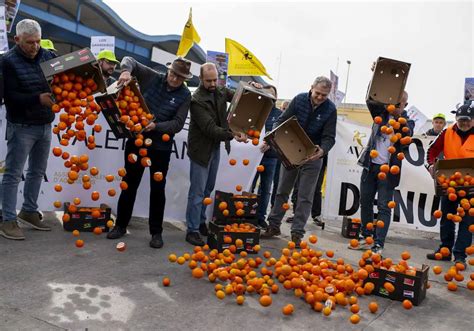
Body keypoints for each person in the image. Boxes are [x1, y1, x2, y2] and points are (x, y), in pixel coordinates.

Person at [106, 57, 192, 249]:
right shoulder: (153, 77)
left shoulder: (185, 95)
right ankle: (120, 225)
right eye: (173, 74)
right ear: (168, 70)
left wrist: (156, 126)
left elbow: (177, 124)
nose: (175, 79)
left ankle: (156, 233)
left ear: (185, 79)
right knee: (129, 185)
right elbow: (129, 60)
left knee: (157, 190)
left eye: (180, 77)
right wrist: (126, 71)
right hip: (136, 142)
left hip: (160, 148)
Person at [260, 76, 337, 247]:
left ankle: (297, 233)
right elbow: (281, 120)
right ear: (311, 88)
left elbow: (329, 137)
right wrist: (276, 137)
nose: (320, 97)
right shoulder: (299, 100)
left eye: (324, 95)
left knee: (305, 196)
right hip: (291, 150)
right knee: (282, 190)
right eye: (318, 93)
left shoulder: (331, 109)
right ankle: (274, 226)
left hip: (313, 155)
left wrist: (322, 150)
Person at [0, 19, 56, 240]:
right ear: (17, 39)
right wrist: (38, 99)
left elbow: (62, 77)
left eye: (37, 42)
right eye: (29, 42)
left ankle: (29, 211)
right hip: (21, 126)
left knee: (37, 172)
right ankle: (7, 220)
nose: (35, 47)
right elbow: (10, 96)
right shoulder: (7, 62)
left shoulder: (47, 55)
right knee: (13, 174)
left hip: (45, 124)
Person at [185, 63, 252, 246]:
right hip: (200, 149)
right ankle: (192, 230)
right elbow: (210, 129)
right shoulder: (196, 100)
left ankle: (200, 223)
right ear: (201, 79)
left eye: (215, 79)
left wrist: (252, 89)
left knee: (208, 189)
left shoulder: (221, 91)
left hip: (214, 148)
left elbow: (240, 96)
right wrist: (233, 135)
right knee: (197, 192)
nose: (213, 83)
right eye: (209, 81)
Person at [350, 66, 415, 255]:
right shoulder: (380, 116)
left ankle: (379, 243)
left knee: (384, 207)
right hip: (371, 166)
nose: (396, 106)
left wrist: (399, 117)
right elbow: (371, 97)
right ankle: (365, 236)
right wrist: (376, 76)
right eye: (394, 102)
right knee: (365, 201)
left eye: (400, 104)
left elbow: (407, 136)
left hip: (388, 170)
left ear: (405, 105)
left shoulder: (406, 122)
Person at [425, 103, 474, 267]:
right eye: (461, 120)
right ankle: (445, 250)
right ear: (456, 119)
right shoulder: (447, 133)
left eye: (467, 120)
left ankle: (460, 255)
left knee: (467, 222)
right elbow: (431, 151)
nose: (464, 123)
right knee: (447, 217)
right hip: (450, 184)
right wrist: (431, 166)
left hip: (472, 186)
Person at [250, 85, 282, 229]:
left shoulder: (280, 114)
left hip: (271, 157)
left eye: (272, 95)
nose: (270, 98)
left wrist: (270, 142)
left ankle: (260, 217)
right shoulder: (256, 111)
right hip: (253, 156)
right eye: (267, 94)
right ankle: (247, 215)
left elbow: (281, 133)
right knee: (249, 186)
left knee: (266, 189)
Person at [270, 100, 290, 207]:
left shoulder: (293, 122)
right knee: (269, 183)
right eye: (283, 109)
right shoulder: (277, 118)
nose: (284, 111)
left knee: (278, 183)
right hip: (273, 154)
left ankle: (274, 204)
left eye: (287, 109)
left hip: (284, 156)